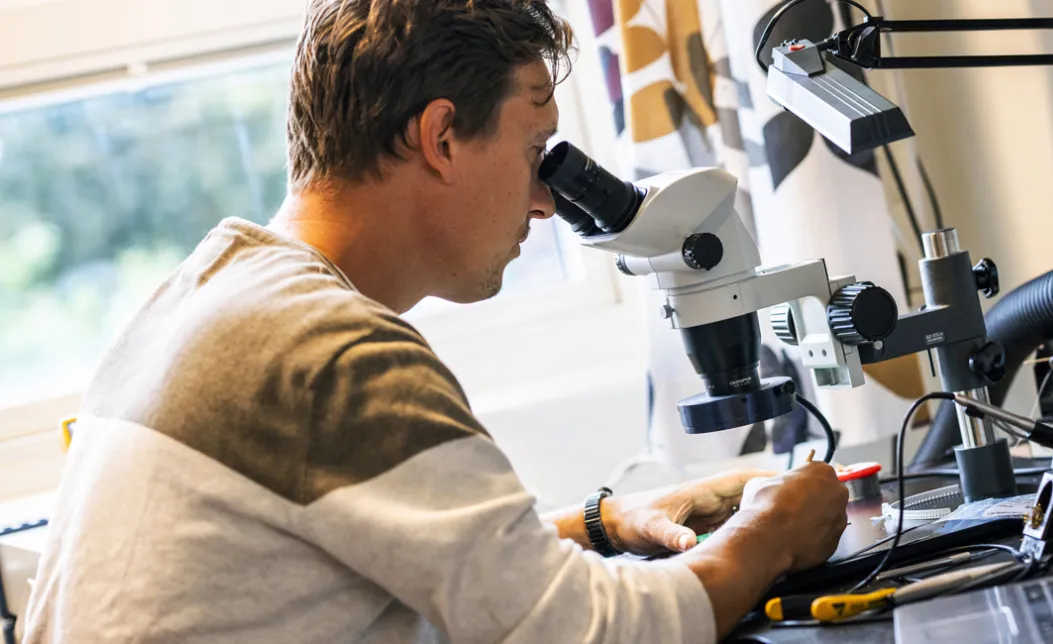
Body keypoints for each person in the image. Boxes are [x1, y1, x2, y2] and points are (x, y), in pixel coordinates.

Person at [22, 1, 849, 642]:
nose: (545, 202)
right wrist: (771, 532)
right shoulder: (330, 353)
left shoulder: (203, 296)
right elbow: (592, 632)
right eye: (535, 152)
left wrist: (602, 524)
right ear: (442, 137)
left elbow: (363, 557)